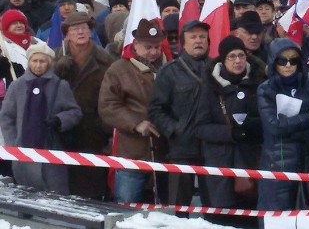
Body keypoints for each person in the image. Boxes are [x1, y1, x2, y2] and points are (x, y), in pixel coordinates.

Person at [196, 36, 266, 227]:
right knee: (221, 220)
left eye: (241, 56)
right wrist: (230, 133)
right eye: (232, 57)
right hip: (221, 166)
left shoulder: (260, 83)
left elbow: (269, 118)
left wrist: (254, 126)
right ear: (222, 60)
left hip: (253, 162)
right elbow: (200, 128)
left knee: (250, 219)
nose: (238, 61)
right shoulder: (210, 87)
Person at [98, 19, 167, 203]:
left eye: (156, 47)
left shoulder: (168, 68)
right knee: (126, 207)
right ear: (135, 44)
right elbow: (108, 105)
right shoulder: (119, 70)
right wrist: (136, 123)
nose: (153, 52)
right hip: (131, 152)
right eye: (148, 47)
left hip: (163, 151)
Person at [256, 38, 309, 212]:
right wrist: (308, 117)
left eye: (293, 60)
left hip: (308, 161)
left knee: (308, 216)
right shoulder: (265, 89)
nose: (288, 65)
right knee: (277, 216)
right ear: (273, 62)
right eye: (282, 60)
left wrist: (298, 133)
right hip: (277, 162)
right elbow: (274, 126)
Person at [0, 43, 81, 194]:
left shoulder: (60, 85)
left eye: (42, 61)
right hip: (23, 152)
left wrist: (60, 120)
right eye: (34, 61)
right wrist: (13, 143)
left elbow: (74, 112)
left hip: (51, 148)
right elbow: (6, 117)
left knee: (56, 194)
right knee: (27, 194)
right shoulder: (17, 86)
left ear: (49, 63)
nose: (37, 65)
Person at [54, 11, 117, 199]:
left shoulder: (105, 60)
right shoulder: (56, 57)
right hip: (63, 128)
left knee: (92, 183)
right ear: (66, 34)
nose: (80, 32)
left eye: (84, 28)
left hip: (94, 129)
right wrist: (56, 69)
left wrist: (105, 128)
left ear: (90, 31)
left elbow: (113, 96)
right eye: (74, 29)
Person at [148, 20, 212, 206]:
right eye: (193, 37)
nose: (198, 41)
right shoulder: (169, 71)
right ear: (184, 42)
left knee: (214, 206)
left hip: (211, 148)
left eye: (202, 37)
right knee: (178, 204)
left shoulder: (217, 68)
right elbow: (156, 109)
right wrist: (175, 130)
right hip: (181, 149)